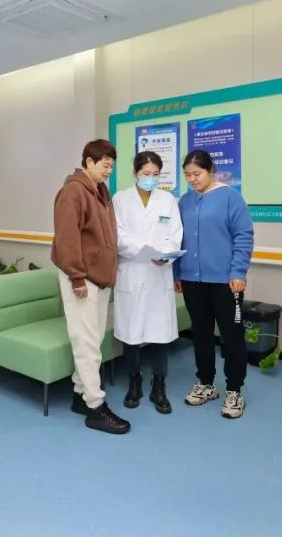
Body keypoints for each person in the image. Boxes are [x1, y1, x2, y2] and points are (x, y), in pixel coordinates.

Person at [51, 139, 131, 435]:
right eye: (104, 165)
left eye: (112, 166)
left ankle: (79, 394)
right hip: (81, 278)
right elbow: (66, 238)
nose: (109, 170)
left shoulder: (100, 191)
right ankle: (96, 407)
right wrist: (76, 277)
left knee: (93, 340)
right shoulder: (73, 192)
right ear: (88, 162)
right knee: (85, 342)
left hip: (99, 278)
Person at [173, 149, 254, 419]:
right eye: (187, 175)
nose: (192, 179)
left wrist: (239, 271)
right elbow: (176, 239)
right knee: (200, 333)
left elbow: (243, 235)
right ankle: (206, 383)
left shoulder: (231, 197)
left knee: (232, 335)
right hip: (192, 280)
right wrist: (176, 273)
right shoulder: (184, 201)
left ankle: (234, 390)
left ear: (211, 170)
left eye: (197, 174)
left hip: (225, 281)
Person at [112, 151, 182, 415]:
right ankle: (135, 381)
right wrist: (145, 249)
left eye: (155, 174)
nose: (150, 178)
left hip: (158, 273)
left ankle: (159, 384)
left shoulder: (168, 200)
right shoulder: (120, 199)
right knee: (131, 332)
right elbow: (118, 235)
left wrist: (165, 253)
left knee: (160, 332)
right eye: (145, 173)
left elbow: (175, 234)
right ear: (135, 173)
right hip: (132, 271)